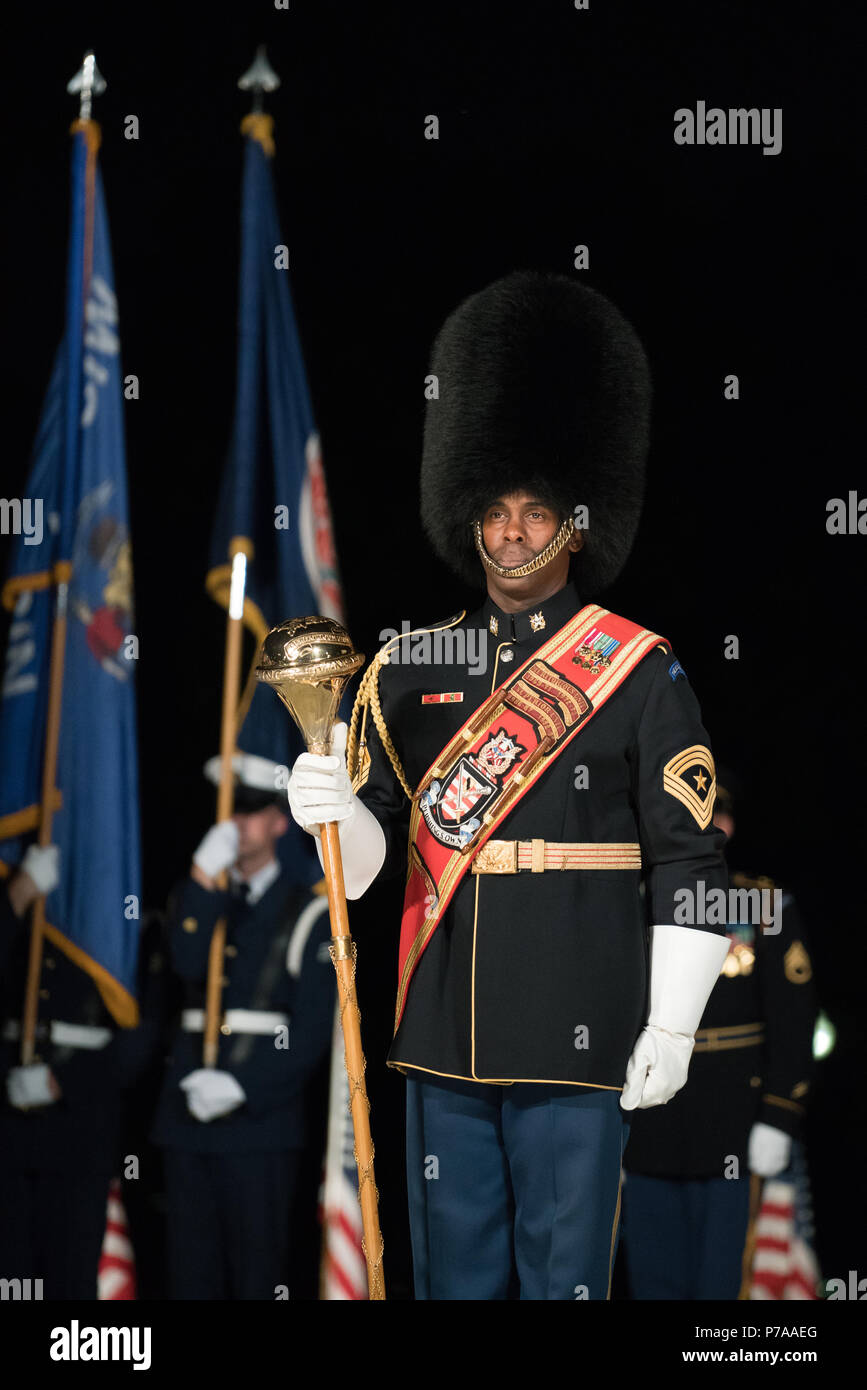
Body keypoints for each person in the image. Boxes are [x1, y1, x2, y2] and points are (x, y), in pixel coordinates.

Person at [287, 270, 731, 1300]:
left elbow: (691, 862)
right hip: (442, 1037)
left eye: (539, 512)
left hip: (585, 1034)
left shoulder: (639, 667)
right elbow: (367, 872)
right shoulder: (407, 669)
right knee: (457, 1285)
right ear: (467, 514)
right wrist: (337, 812)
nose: (516, 532)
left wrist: (670, 1026)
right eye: (496, 510)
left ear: (579, 522)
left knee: (565, 1283)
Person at [621, 775, 817, 1299]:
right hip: (648, 1131)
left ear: (728, 826)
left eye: (716, 817)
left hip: (735, 1124)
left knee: (724, 1286)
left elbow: (795, 1018)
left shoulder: (760, 904)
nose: (708, 828)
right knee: (652, 1281)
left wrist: (779, 1114)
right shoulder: (632, 902)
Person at [150, 751, 335, 1300]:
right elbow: (183, 963)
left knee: (259, 1276)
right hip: (186, 1114)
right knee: (189, 1275)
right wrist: (204, 881)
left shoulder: (309, 911)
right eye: (230, 811)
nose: (237, 824)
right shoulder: (199, 898)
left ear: (280, 821)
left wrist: (243, 1086)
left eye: (251, 811)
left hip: (261, 1123)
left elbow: (311, 1032)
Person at [0, 844, 127, 1298]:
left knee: (70, 1281)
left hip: (80, 1129)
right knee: (12, 1282)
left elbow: (140, 1035)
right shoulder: (15, 893)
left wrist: (67, 1081)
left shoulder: (122, 916)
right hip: (10, 1122)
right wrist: (15, 898)